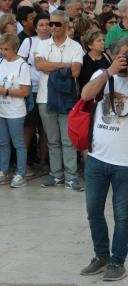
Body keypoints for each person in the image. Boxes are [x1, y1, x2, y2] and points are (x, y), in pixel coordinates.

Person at [80, 36, 128, 281]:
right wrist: (108, 73)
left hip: (125, 162)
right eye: (125, 54)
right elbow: (85, 94)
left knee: (122, 215)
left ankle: (117, 261)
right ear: (112, 55)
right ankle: (101, 256)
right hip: (97, 158)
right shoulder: (102, 74)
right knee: (93, 210)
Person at [34, 9, 84, 190]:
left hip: (68, 99)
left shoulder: (76, 46)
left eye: (56, 24)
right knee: (52, 140)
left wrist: (52, 66)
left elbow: (76, 71)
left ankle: (71, 177)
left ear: (65, 25)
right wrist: (65, 65)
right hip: (45, 98)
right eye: (50, 23)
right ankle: (56, 176)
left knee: (68, 139)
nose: (52, 27)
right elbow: (40, 65)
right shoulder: (42, 44)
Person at [18, 13, 51, 175]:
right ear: (36, 27)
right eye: (41, 25)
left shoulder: (55, 43)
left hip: (49, 90)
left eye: (47, 24)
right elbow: (20, 65)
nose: (45, 28)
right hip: (31, 90)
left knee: (45, 129)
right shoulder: (28, 41)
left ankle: (43, 162)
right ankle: (22, 164)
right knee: (28, 128)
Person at [0, 33, 30, 187]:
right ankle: (3, 171)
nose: (3, 52)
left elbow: (25, 92)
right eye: (1, 49)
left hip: (15, 111)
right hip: (2, 110)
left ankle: (20, 174)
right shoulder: (1, 62)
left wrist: (5, 92)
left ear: (15, 48)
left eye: (6, 49)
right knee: (3, 143)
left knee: (18, 143)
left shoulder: (22, 66)